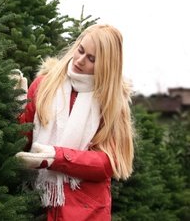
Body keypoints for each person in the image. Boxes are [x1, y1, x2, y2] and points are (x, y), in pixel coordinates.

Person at [16, 24, 136, 220]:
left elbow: (108, 162)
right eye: (80, 50)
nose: (80, 60)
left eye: (91, 59)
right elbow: (22, 139)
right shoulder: (44, 85)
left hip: (86, 212)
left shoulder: (111, 104)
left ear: (105, 67)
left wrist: (57, 158)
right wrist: (16, 107)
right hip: (37, 204)